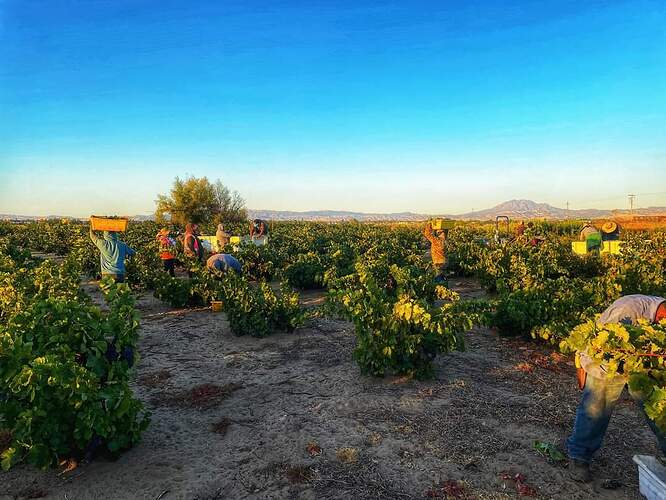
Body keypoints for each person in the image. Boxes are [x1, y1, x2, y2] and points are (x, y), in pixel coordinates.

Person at [566, 294, 666, 482]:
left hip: (640, 365)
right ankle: (579, 458)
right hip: (604, 364)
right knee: (595, 409)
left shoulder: (660, 315)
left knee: (659, 409)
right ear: (662, 315)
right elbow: (605, 348)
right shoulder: (629, 309)